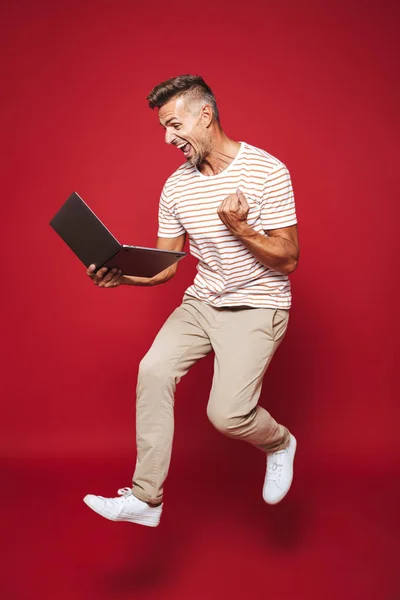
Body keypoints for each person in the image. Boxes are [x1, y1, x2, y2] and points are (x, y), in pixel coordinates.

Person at [83, 75, 299, 527]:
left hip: (258, 305)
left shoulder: (267, 171)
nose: (168, 138)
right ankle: (147, 498)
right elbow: (167, 266)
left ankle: (279, 443)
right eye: (164, 127)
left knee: (227, 416)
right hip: (201, 304)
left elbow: (289, 258)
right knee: (153, 370)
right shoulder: (176, 187)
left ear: (205, 116)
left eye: (174, 125)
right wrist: (120, 276)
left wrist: (240, 228)